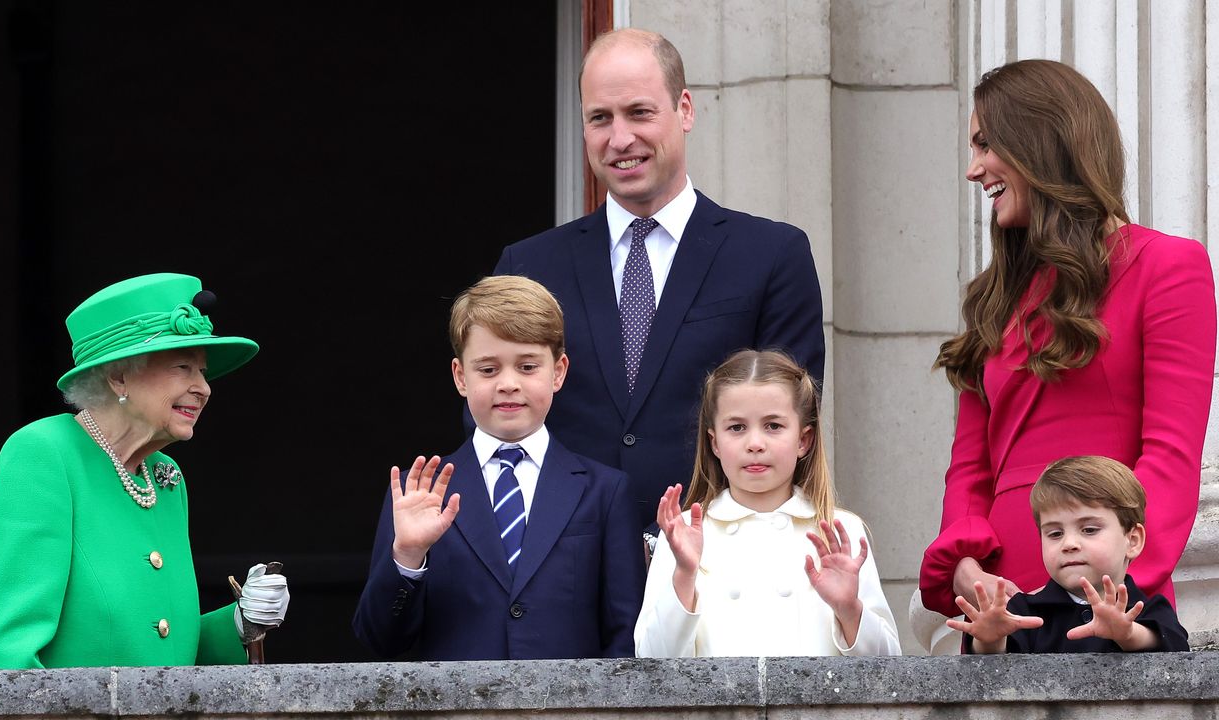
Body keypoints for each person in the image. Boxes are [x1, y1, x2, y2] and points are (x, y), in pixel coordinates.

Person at [919, 59, 1217, 631]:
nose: (972, 169)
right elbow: (968, 471)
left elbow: (1170, 458)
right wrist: (965, 567)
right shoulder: (995, 299)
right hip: (1001, 611)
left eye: (985, 145)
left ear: (1040, 141)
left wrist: (1108, 586)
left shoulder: (1167, 267)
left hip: (1108, 599)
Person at [491, 28, 825, 535]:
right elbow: (492, 423)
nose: (620, 139)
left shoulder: (772, 256)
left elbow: (793, 422)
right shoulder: (528, 266)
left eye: (639, 112)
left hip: (719, 567)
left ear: (685, 110)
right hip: (567, 569)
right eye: (599, 118)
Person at [0, 272, 290, 669]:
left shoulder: (164, 476)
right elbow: (10, 658)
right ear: (119, 375)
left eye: (203, 372)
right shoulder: (43, 454)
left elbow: (166, 653)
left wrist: (239, 622)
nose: (203, 388)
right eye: (182, 367)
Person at [353, 274, 646, 660]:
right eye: (488, 370)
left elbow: (626, 636)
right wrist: (407, 556)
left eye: (527, 367)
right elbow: (379, 643)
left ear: (558, 372)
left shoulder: (605, 491)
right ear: (461, 376)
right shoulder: (419, 492)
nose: (508, 384)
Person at [634, 349, 900, 657]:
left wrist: (849, 610)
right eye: (737, 427)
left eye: (773, 426)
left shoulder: (841, 531)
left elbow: (888, 670)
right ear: (714, 443)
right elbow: (652, 664)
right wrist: (684, 574)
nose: (755, 443)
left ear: (804, 439)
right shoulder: (683, 535)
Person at [951, 455, 1189, 653]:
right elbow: (992, 672)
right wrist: (989, 638)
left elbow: (1176, 652)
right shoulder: (1024, 611)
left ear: (1132, 540)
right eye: (1055, 534)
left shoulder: (1146, 608)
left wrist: (1127, 633)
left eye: (1089, 530)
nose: (1069, 543)